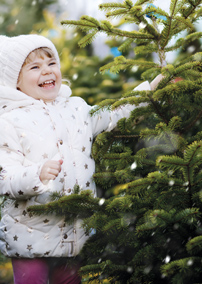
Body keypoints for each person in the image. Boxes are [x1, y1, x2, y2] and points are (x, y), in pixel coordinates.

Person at [0, 34, 162, 284]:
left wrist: (148, 93)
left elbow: (112, 114)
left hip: (75, 232)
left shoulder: (76, 108)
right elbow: (5, 176)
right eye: (35, 66)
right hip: (29, 235)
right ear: (16, 82)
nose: (47, 70)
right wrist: (36, 175)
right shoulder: (9, 121)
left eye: (51, 63)